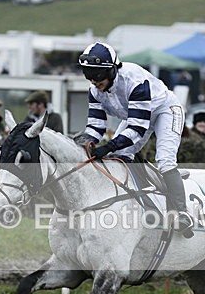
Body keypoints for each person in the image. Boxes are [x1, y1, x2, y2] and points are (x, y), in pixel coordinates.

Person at [75, 42, 194, 237]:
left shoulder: (133, 80)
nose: (94, 82)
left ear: (112, 70)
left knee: (164, 160)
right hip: (136, 117)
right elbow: (96, 126)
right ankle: (145, 202)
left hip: (166, 110)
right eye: (89, 76)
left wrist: (107, 146)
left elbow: (137, 128)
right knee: (119, 155)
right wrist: (83, 143)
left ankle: (182, 213)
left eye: (97, 75)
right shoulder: (95, 91)